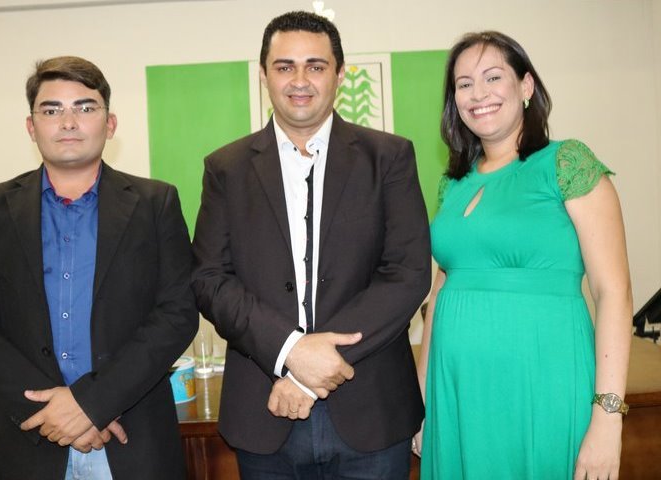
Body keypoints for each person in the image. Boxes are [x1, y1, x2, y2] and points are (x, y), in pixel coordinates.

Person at [191, 10, 430, 479]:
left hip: (373, 412)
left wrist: (309, 370)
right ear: (264, 75)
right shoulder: (226, 168)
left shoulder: (389, 157)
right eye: (284, 66)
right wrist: (290, 351)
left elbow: (407, 273)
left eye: (315, 66)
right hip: (264, 410)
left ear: (339, 74)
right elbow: (209, 279)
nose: (299, 80)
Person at [0, 56, 198, 480]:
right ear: (31, 127)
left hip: (131, 435)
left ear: (110, 123)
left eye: (85, 107)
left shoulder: (156, 204)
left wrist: (92, 404)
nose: (68, 122)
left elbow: (177, 315)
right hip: (28, 438)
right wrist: (53, 412)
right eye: (51, 110)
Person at [414, 31, 633, 479]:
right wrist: (420, 401)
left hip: (544, 384)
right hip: (457, 394)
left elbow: (615, 293)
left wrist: (608, 418)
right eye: (464, 84)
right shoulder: (452, 184)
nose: (478, 94)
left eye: (493, 77)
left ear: (526, 86)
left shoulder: (565, 162)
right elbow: (439, 292)